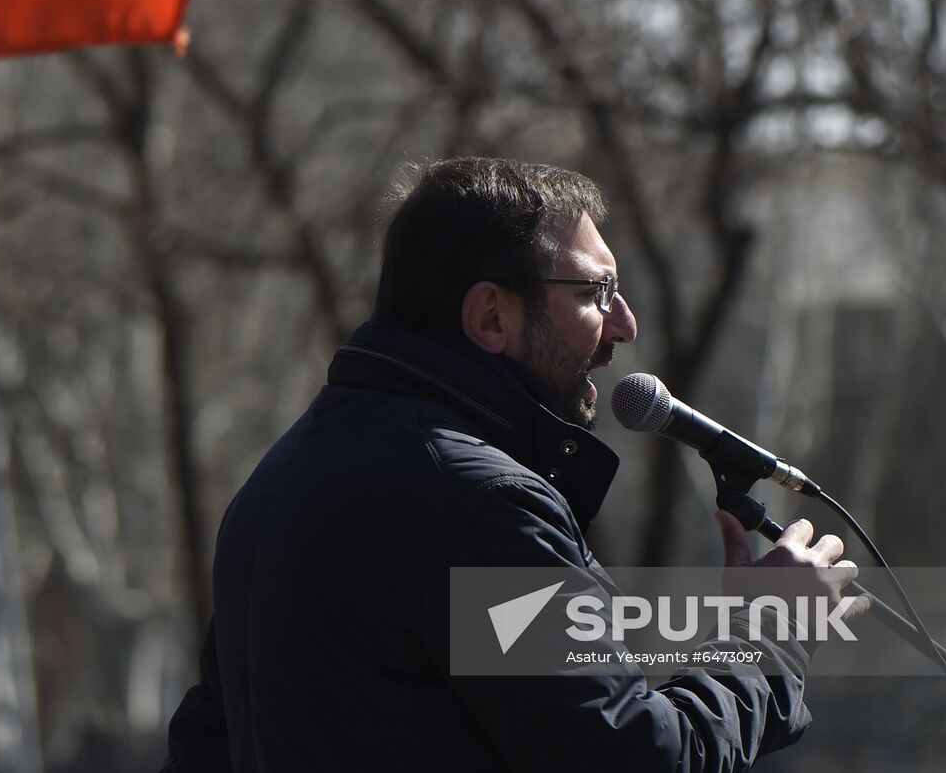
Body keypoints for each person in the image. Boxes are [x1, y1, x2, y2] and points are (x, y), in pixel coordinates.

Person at [161, 157, 857, 771]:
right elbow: (637, 758)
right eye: (596, 293)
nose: (625, 325)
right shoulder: (472, 506)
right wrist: (765, 639)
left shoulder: (279, 481)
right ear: (491, 317)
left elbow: (203, 750)